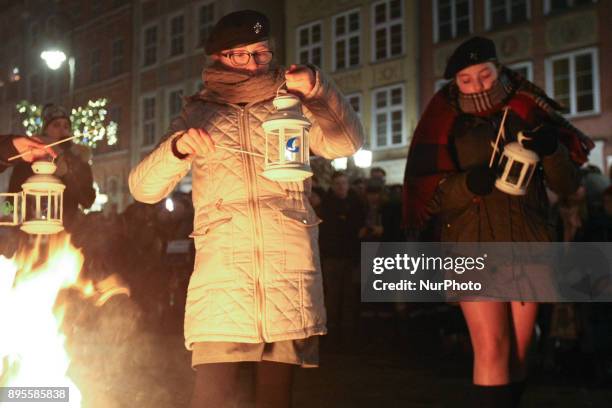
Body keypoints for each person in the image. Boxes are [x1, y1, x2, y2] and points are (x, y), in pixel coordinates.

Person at [128, 10, 364, 408]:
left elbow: (346, 144)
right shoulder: (197, 112)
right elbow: (143, 189)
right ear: (219, 57)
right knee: (212, 397)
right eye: (241, 54)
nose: (254, 63)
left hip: (286, 271)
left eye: (261, 53)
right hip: (223, 277)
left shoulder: (291, 103)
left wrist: (321, 91)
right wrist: (178, 147)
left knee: (275, 398)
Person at [402, 37, 592, 407]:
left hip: (527, 241)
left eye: (484, 75)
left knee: (522, 351)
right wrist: (467, 183)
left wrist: (551, 149)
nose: (478, 85)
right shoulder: (445, 120)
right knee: (492, 348)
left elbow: (567, 184)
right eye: (466, 79)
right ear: (455, 83)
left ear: (498, 70)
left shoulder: (528, 108)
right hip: (472, 243)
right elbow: (428, 191)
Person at [9, 104, 96, 228]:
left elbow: (87, 201)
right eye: (56, 125)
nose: (62, 130)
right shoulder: (29, 156)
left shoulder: (78, 160)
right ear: (45, 129)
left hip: (66, 234)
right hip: (31, 231)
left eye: (66, 126)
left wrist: (68, 175)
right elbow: (11, 197)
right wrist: (4, 214)